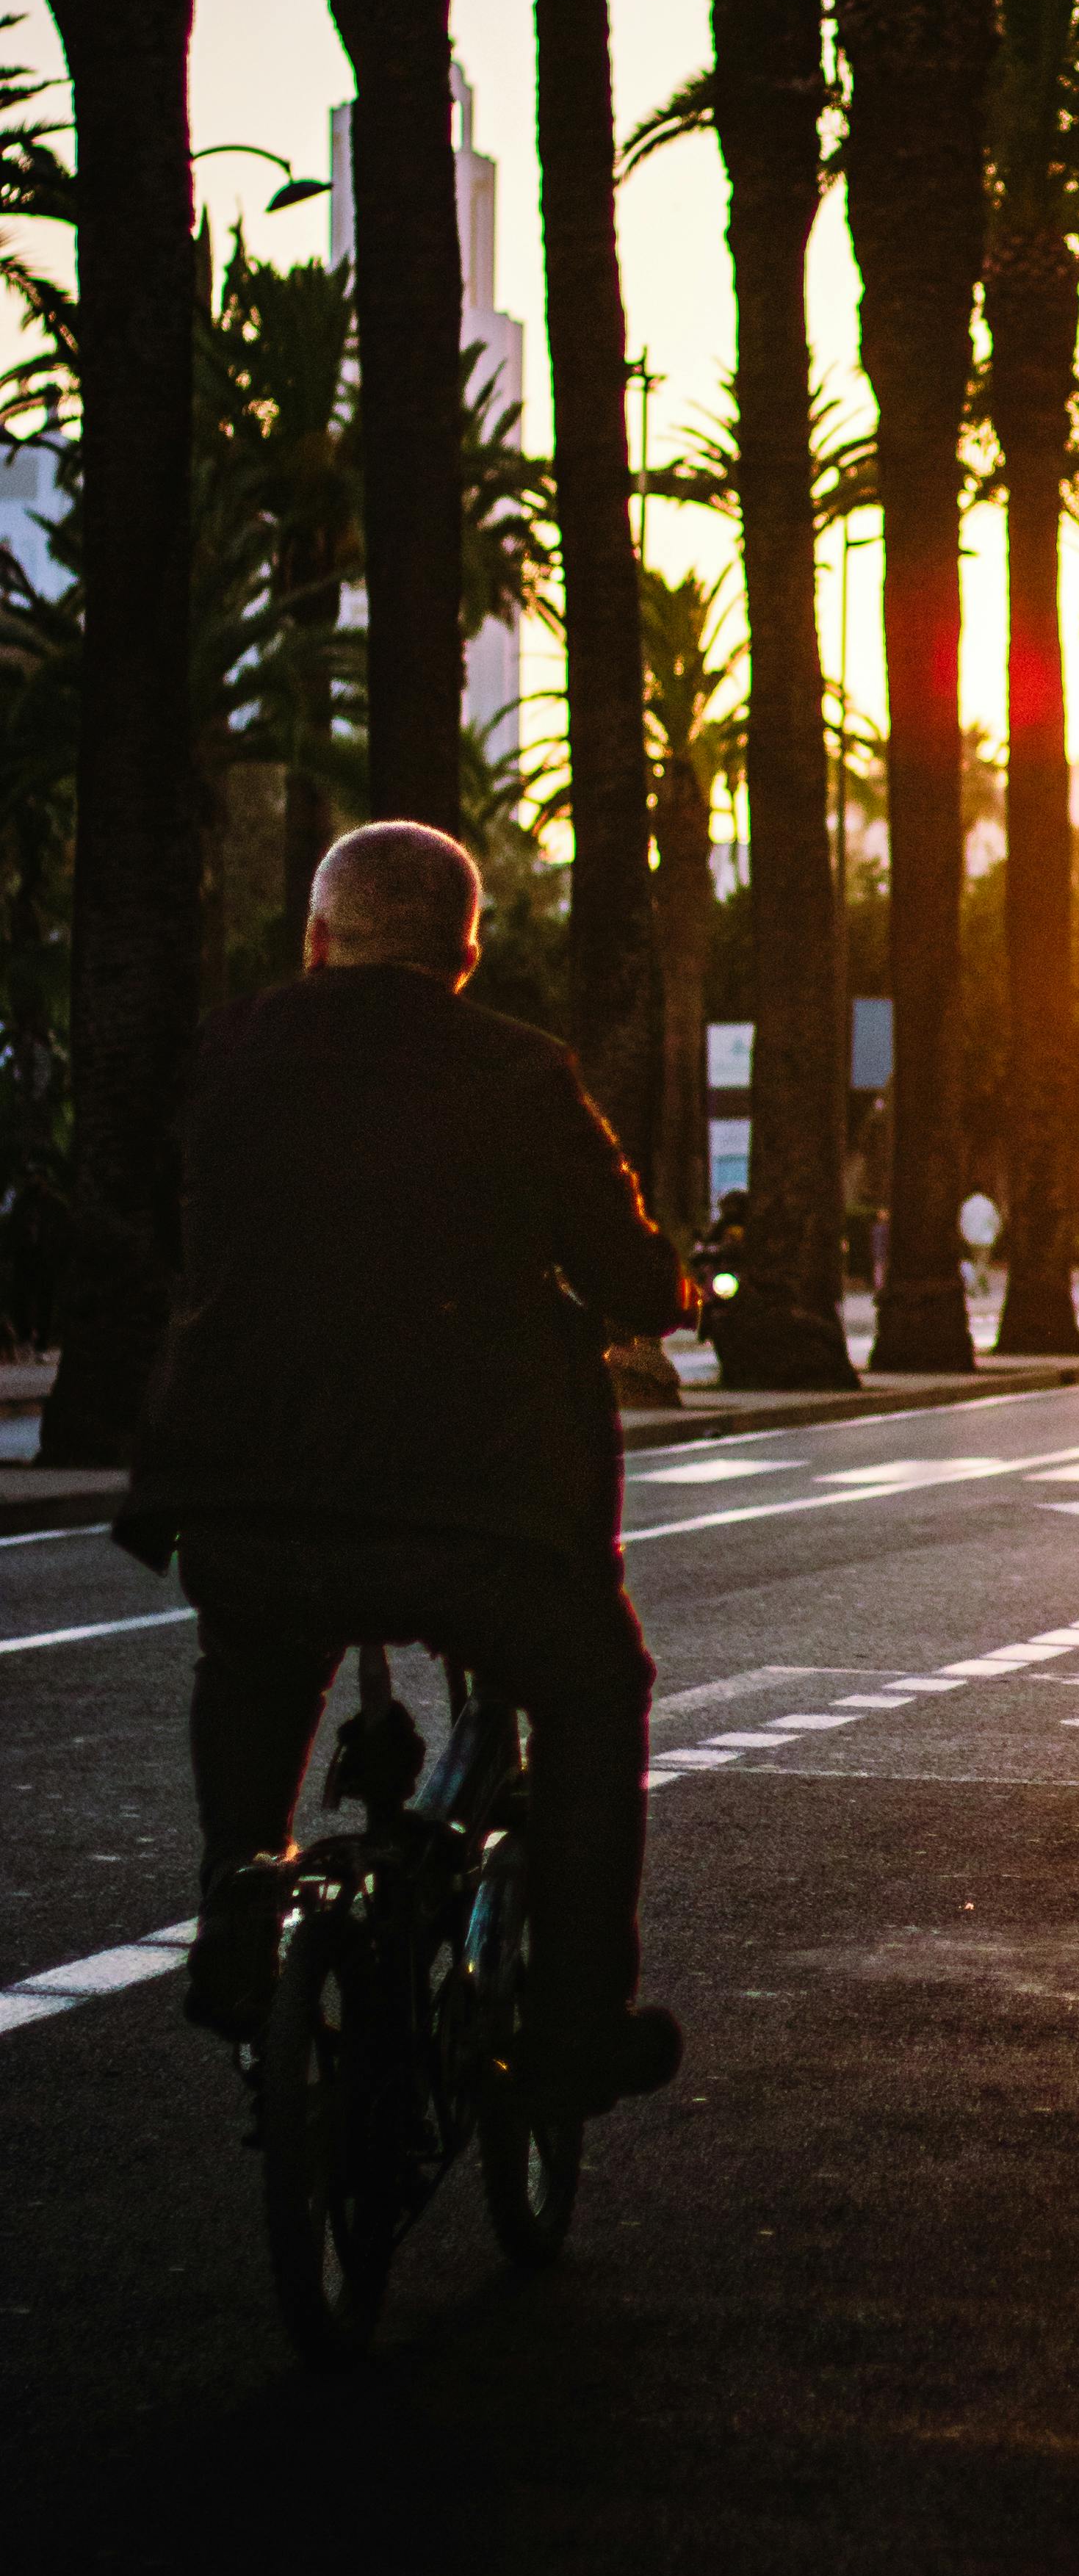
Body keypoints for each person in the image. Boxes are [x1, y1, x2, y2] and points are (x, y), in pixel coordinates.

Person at [121, 818, 693, 2110]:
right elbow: (626, 1272)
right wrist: (672, 1292)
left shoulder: (222, 1055)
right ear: (467, 955)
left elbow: (151, 1221)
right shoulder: (521, 1072)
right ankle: (571, 2034)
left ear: (316, 940)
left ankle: (236, 1902)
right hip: (482, 1519)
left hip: (243, 1495)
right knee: (598, 1695)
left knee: (254, 1656)